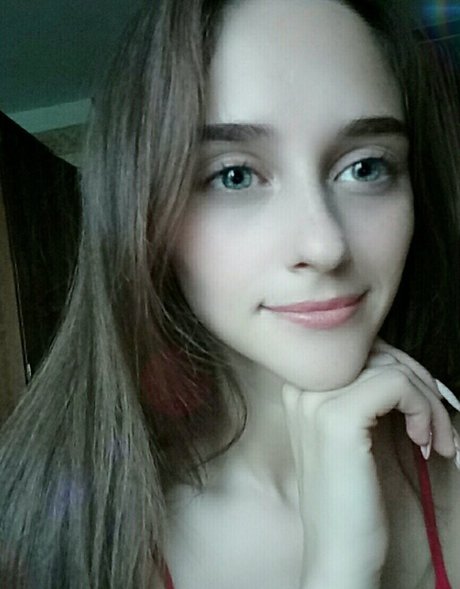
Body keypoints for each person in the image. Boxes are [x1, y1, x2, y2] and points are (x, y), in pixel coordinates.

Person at [0, 0, 459, 587]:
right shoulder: (66, 536)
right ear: (146, 216)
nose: (325, 246)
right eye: (234, 175)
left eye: (366, 167)